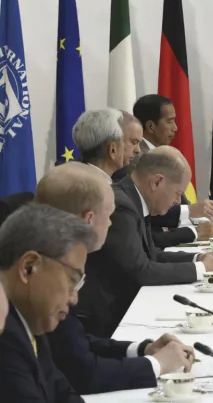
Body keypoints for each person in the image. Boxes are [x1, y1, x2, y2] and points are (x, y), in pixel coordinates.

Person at [37, 163, 196, 394]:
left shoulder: (54, 258)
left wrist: (143, 349)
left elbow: (77, 343)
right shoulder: (47, 274)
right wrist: (157, 364)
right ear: (88, 219)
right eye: (109, 215)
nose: (112, 223)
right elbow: (83, 372)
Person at [75, 147, 213, 337]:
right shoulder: (122, 207)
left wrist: (199, 258)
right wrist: (203, 268)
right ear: (157, 182)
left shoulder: (134, 199)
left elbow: (152, 255)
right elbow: (141, 271)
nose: (178, 202)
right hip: (106, 320)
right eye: (178, 193)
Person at [75, 109, 213, 248]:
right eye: (132, 141)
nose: (138, 149)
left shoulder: (87, 179)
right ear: (113, 149)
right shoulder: (95, 191)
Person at [0, 204, 96, 403]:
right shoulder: (5, 336)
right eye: (72, 279)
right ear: (29, 267)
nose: (74, 298)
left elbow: (60, 391)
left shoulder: (29, 317)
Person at [129, 95, 213, 247]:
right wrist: (189, 211)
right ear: (151, 126)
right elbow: (146, 209)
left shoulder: (163, 153)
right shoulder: (139, 159)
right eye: (169, 121)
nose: (175, 127)